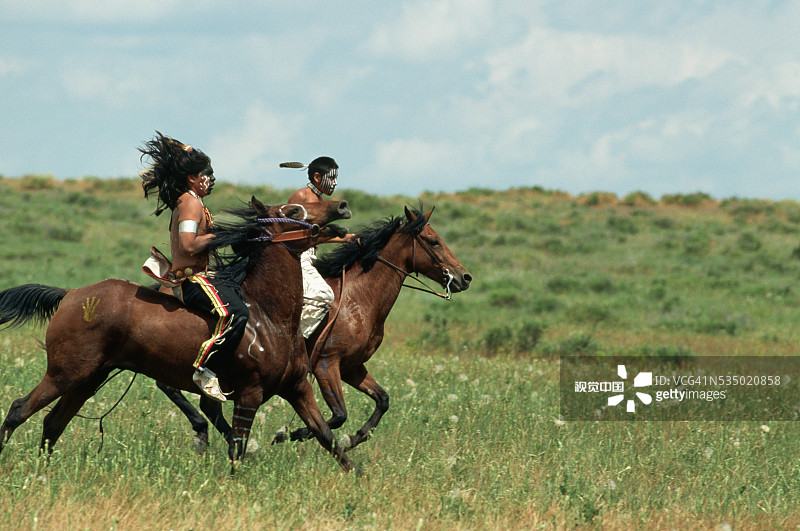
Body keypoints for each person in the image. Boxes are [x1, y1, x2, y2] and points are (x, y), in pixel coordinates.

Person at [139, 132, 248, 402]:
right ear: (192, 178)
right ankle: (206, 370)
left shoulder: (192, 202)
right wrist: (221, 236)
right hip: (193, 281)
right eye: (206, 175)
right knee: (236, 313)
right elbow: (188, 246)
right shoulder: (190, 202)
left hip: (200, 277)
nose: (211, 181)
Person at [281, 156, 353, 338]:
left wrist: (346, 239)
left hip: (309, 258)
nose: (335, 183)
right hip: (297, 257)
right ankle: (292, 340)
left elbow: (314, 236)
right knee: (323, 296)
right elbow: (286, 230)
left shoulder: (320, 199)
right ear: (317, 177)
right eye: (332, 178)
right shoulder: (302, 196)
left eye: (336, 178)